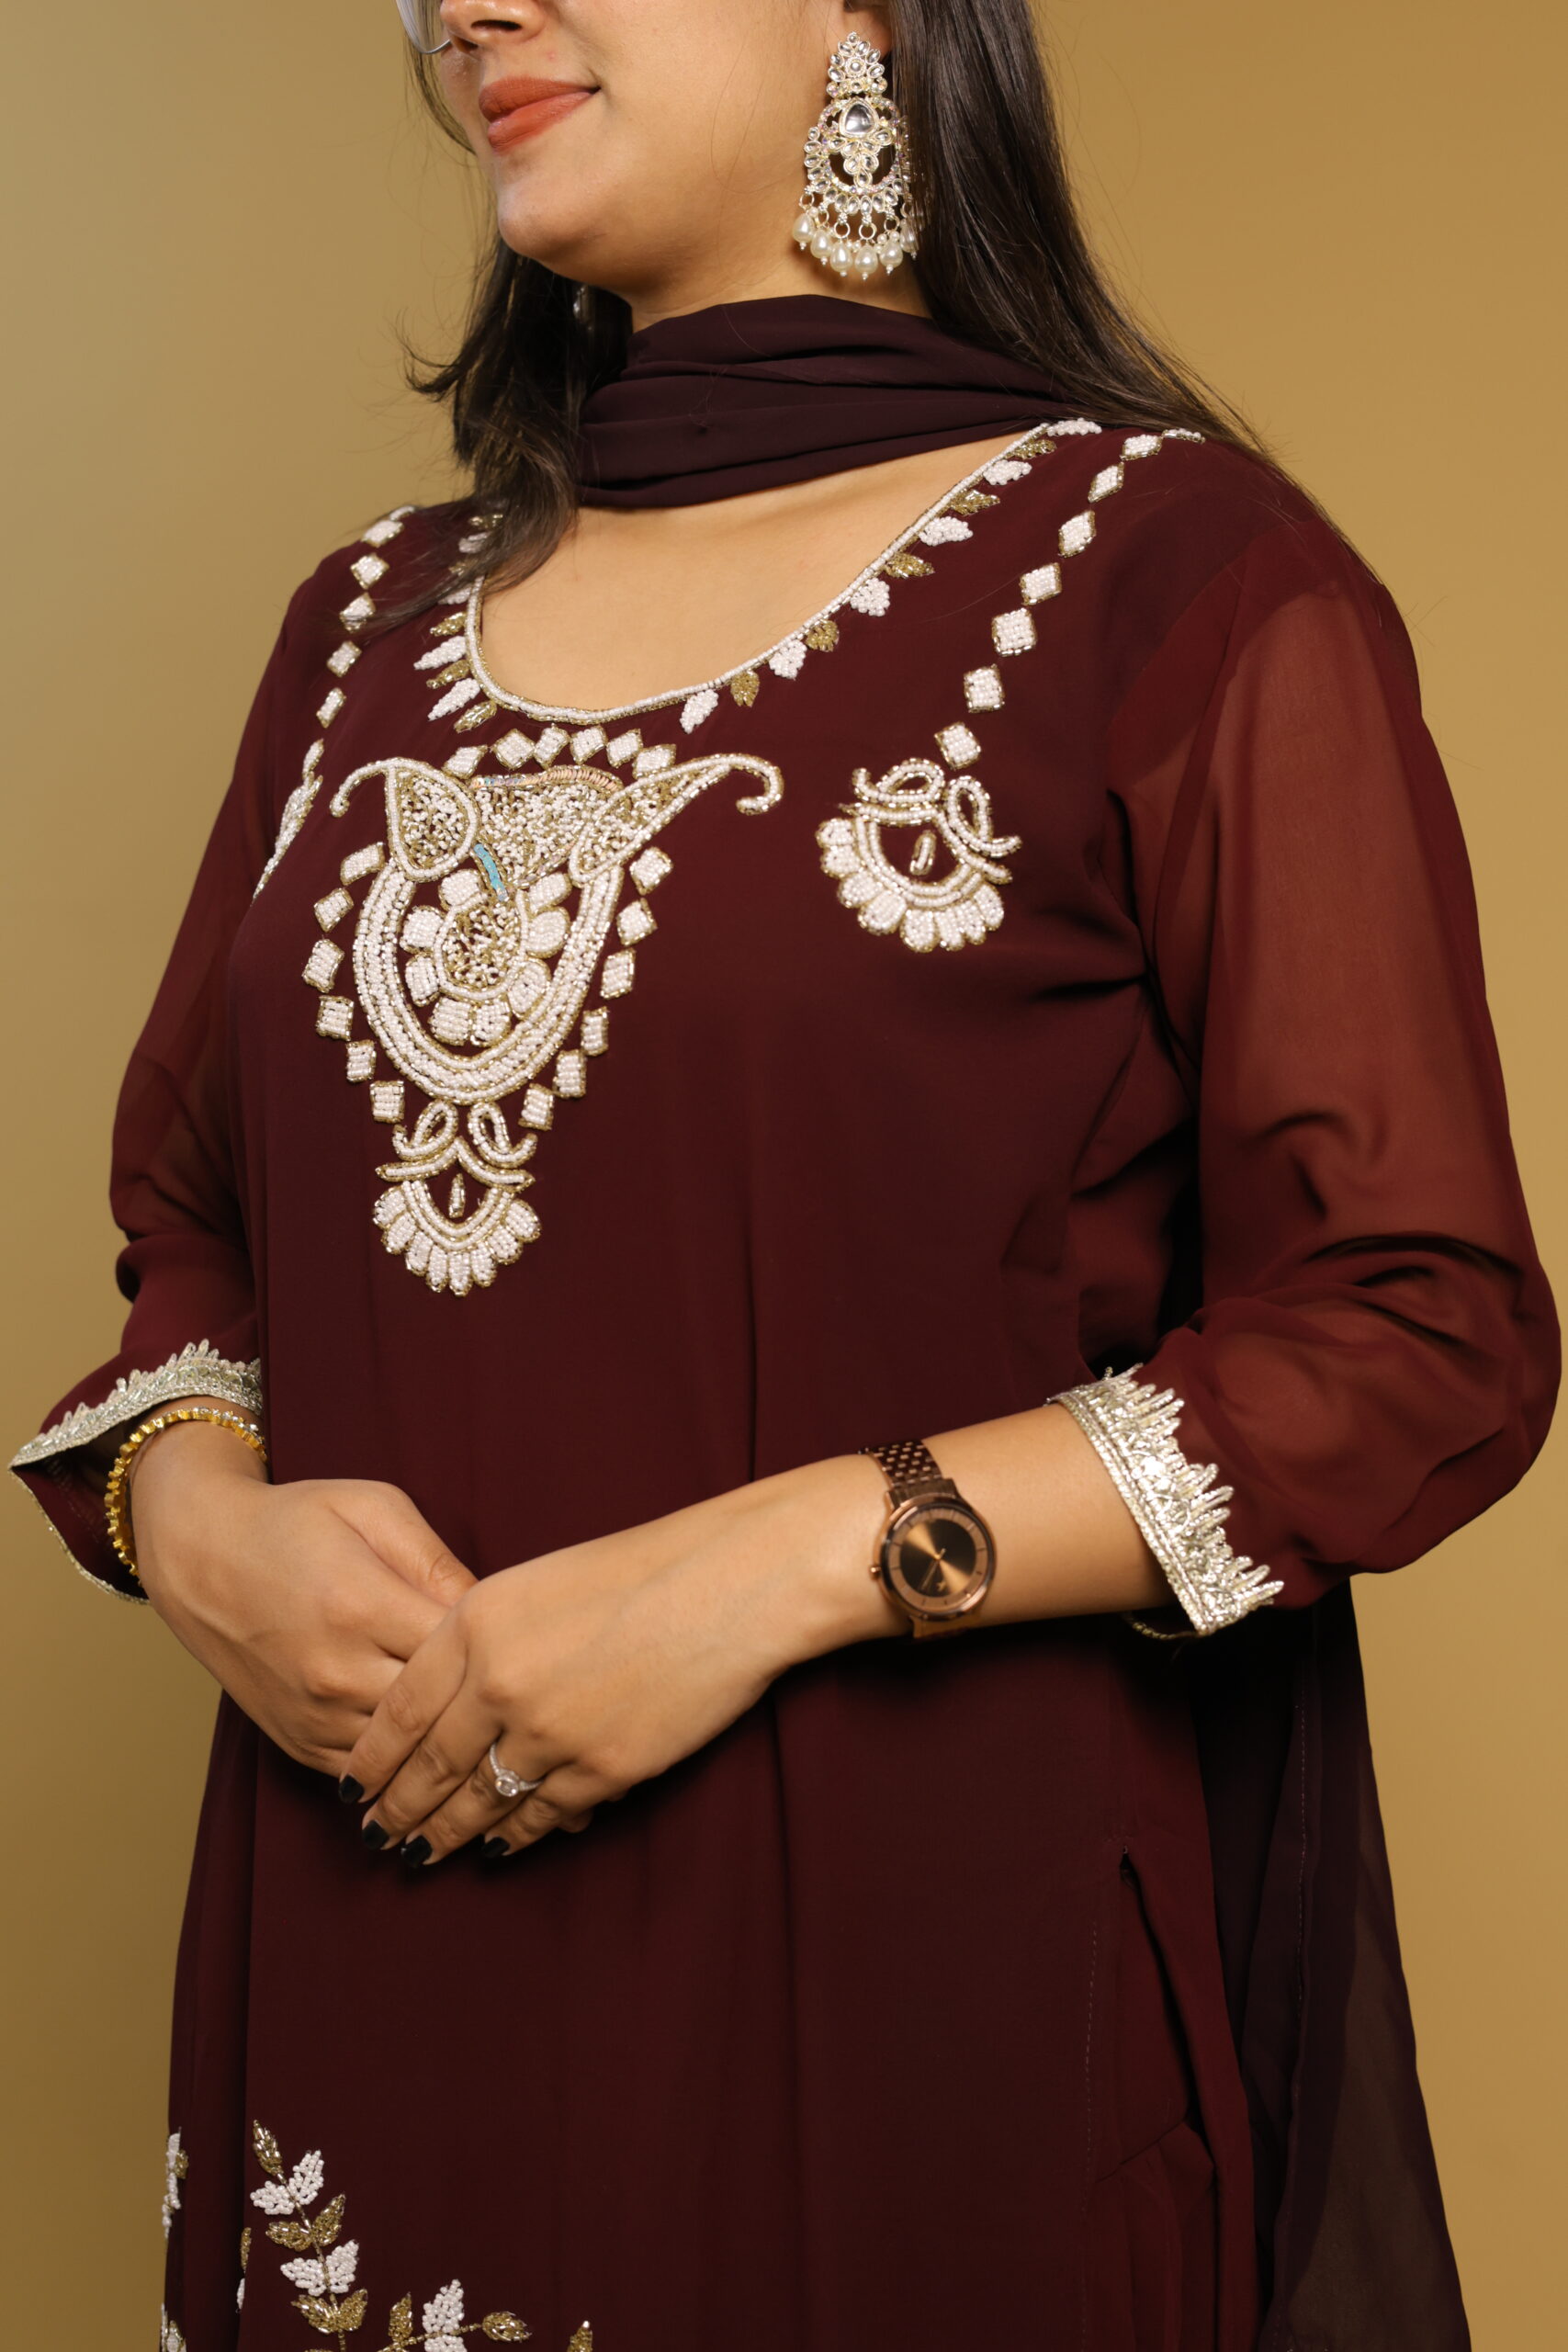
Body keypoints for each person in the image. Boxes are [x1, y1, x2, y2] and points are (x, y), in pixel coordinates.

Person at [12, 4, 1557, 2346]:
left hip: (905, 2007)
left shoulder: (1171, 578)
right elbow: (195, 1228)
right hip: (373, 1972)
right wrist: (195, 1523)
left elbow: (1412, 1325)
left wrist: (783, 1563)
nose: (464, 6)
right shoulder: (356, 635)